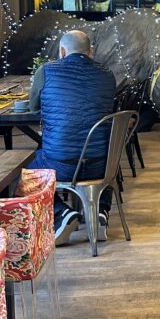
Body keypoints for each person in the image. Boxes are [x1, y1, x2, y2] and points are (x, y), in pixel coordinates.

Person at [29, 29, 116, 243]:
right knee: (107, 154)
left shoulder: (46, 71)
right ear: (90, 52)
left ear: (62, 51)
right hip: (101, 166)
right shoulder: (107, 74)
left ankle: (62, 214)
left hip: (62, 165)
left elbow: (33, 107)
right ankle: (101, 213)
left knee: (26, 170)